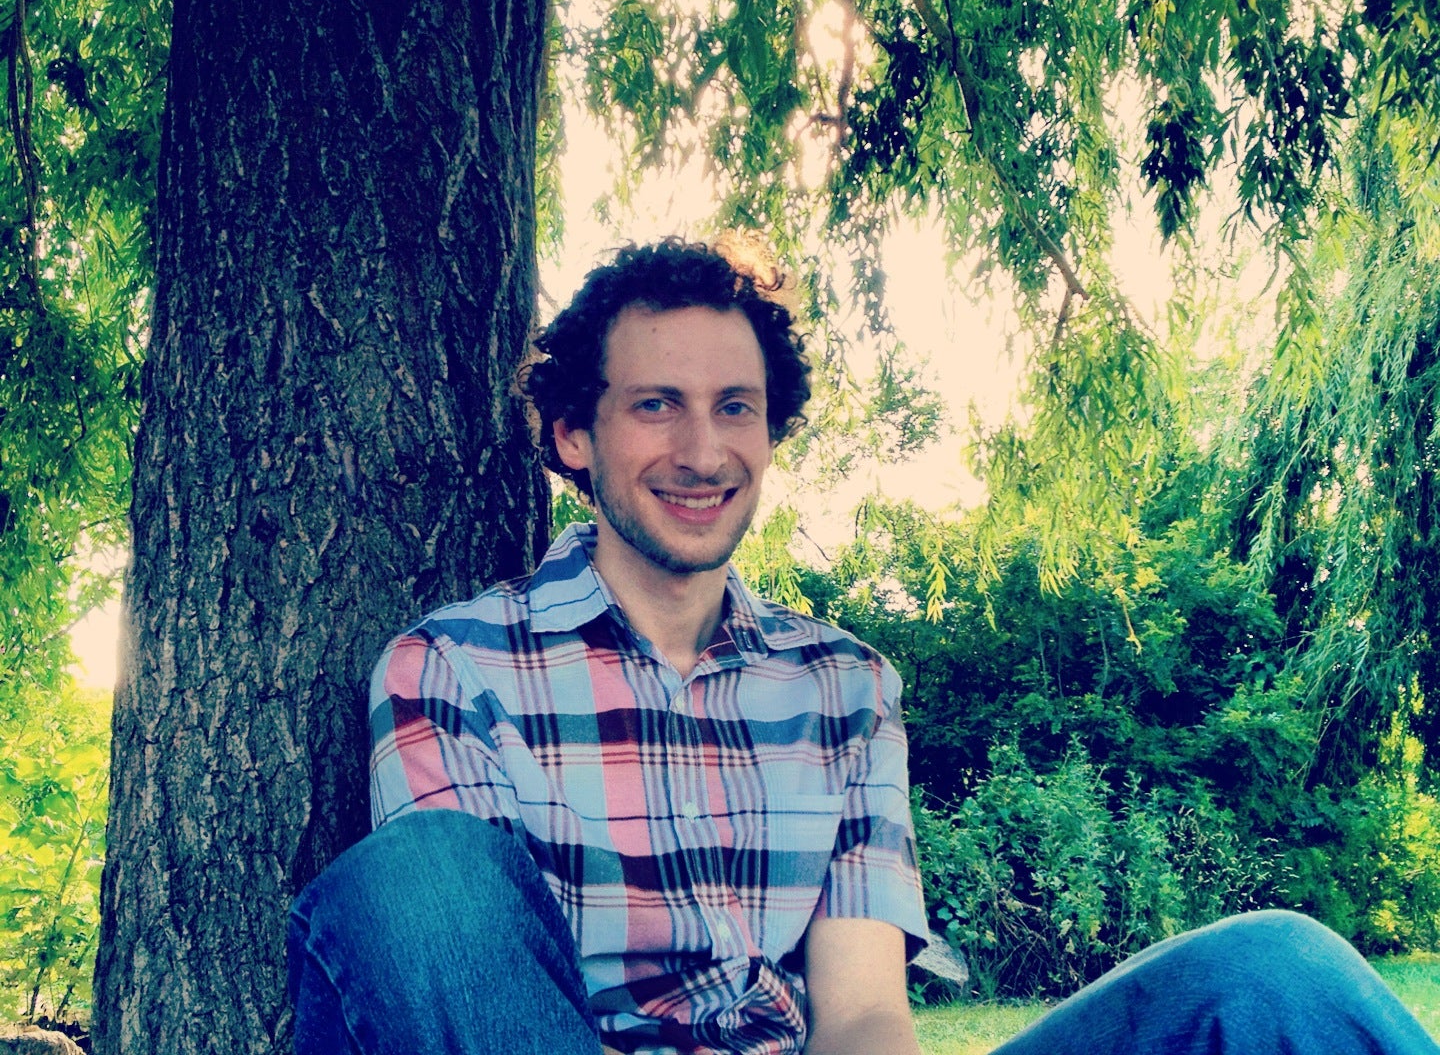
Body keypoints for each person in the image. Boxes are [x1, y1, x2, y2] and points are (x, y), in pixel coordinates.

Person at [288, 238, 1440, 1055]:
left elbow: (863, 1016)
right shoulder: (448, 670)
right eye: (656, 407)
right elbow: (460, 995)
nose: (703, 450)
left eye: (736, 407)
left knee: (1272, 974)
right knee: (414, 882)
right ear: (573, 435)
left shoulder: (842, 685)